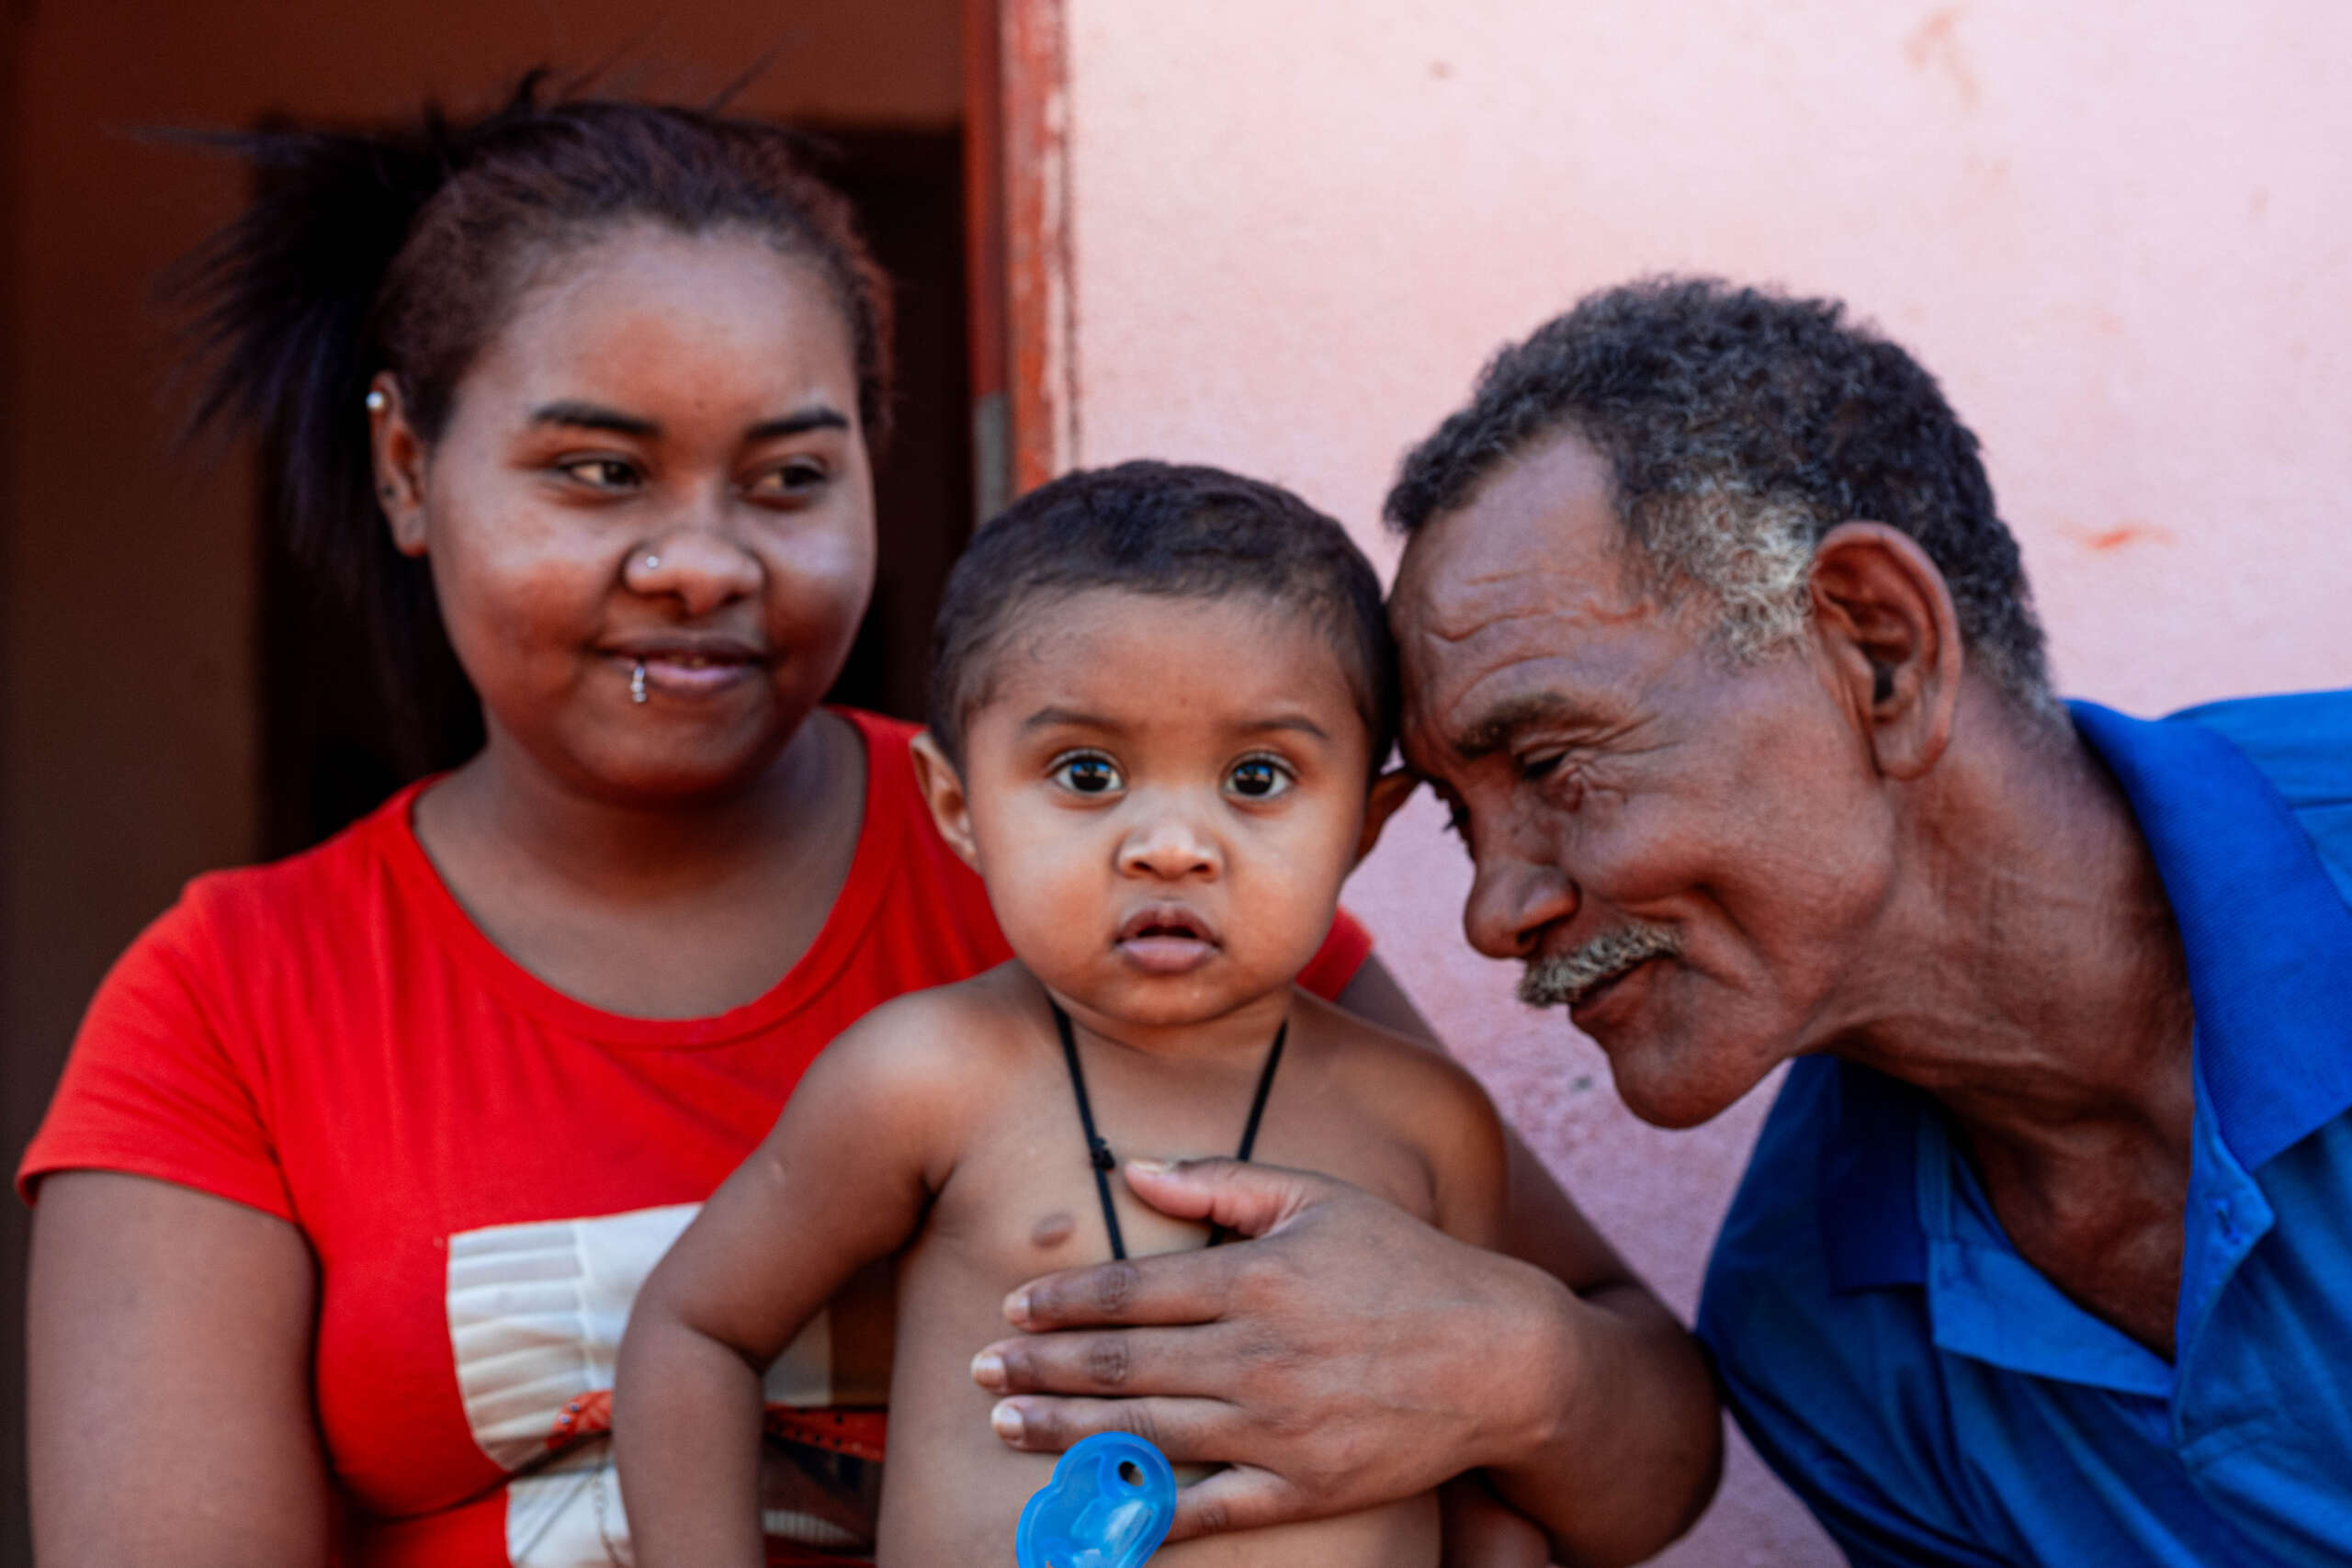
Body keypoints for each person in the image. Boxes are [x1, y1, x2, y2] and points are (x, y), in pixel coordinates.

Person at [17, 91, 1433, 1568]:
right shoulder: (232, 998)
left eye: (787, 479)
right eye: (600, 471)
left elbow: (1603, 1384)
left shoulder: (1110, 871)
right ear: (404, 465)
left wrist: (1523, 1371)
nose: (701, 562)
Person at [1376, 276, 2352, 1565]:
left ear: (1877, 648)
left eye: (1555, 763)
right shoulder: (1815, 1334)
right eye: (1459, 815)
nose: (1495, 911)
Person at [616, 461, 1547, 1568]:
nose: (1169, 844)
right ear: (958, 809)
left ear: (1363, 823)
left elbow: (1481, 1465)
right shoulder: (926, 1080)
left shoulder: (1428, 1125)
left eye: (1256, 779)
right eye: (1088, 771)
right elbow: (694, 1332)